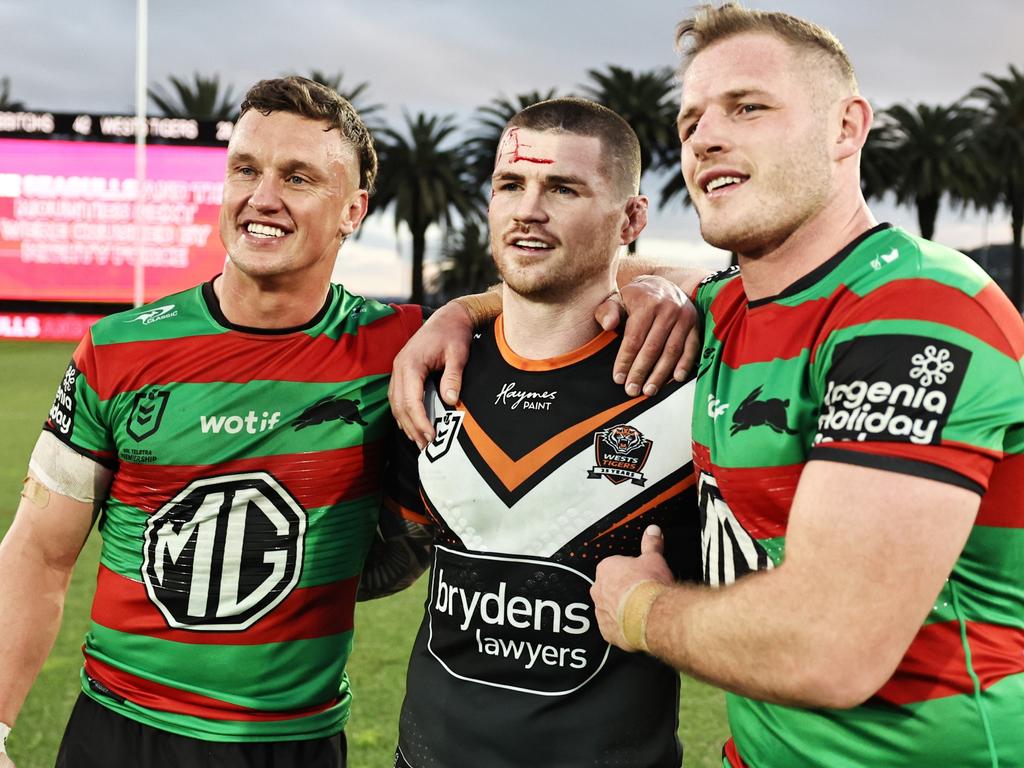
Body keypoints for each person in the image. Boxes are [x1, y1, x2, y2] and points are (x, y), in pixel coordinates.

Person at [0, 78, 694, 767]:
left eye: (298, 178)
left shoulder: (401, 347)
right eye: (246, 169)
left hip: (294, 743)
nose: (262, 197)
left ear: (354, 210)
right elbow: (37, 551)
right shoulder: (119, 347)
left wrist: (655, 282)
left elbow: (553, 287)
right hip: (118, 730)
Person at [588, 5, 1024, 767]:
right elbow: (579, 276)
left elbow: (829, 649)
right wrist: (461, 313)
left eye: (748, 106)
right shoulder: (726, 307)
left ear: (846, 128)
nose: (705, 137)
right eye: (689, 123)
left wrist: (638, 610)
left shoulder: (914, 310)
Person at [385, 97, 700, 768]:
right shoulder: (432, 373)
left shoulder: (685, 382)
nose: (529, 208)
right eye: (511, 185)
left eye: (563, 187)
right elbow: (398, 556)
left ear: (633, 219)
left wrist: (684, 280)